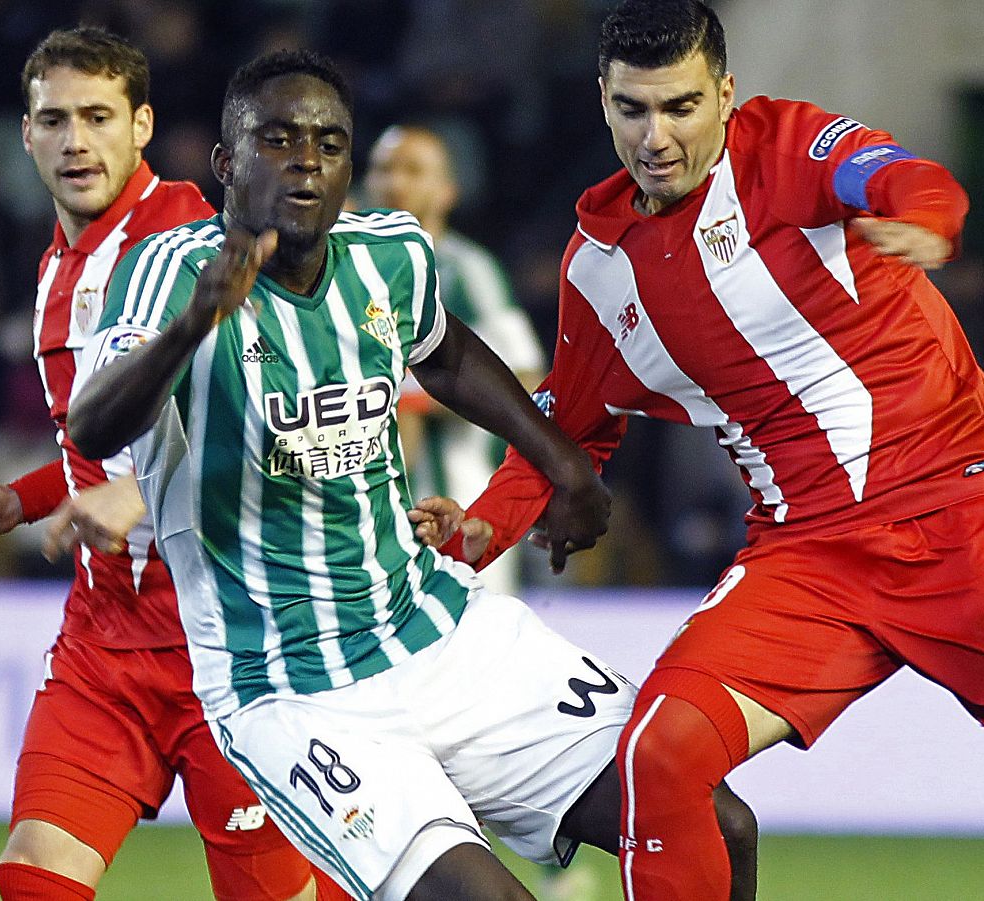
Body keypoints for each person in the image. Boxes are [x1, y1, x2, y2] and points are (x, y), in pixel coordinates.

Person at [442, 2, 984, 899]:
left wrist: (927, 221)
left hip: (963, 520)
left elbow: (908, 177)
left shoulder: (785, 147)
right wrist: (473, 534)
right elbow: (559, 433)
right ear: (602, 102)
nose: (657, 135)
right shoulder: (599, 266)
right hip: (809, 559)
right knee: (662, 749)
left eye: (682, 107)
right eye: (633, 109)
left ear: (725, 96)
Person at [67, 49, 756, 901]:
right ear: (225, 163)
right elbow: (94, 424)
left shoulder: (389, 254)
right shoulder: (165, 275)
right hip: (289, 688)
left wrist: (560, 461)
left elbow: (448, 352)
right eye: (276, 140)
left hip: (439, 631)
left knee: (715, 825)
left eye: (327, 142)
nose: (305, 161)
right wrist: (192, 327)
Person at [0, 28, 340, 901]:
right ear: (26, 135)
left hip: (234, 641)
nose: (76, 140)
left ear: (142, 124)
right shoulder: (55, 269)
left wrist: (137, 489)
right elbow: (107, 442)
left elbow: (285, 414)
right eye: (55, 120)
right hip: (108, 640)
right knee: (35, 875)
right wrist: (22, 497)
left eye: (98, 117)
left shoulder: (202, 241)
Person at [364, 123, 546, 596]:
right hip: (368, 504)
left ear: (447, 192)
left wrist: (417, 401)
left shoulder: (466, 270)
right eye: (383, 169)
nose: (394, 182)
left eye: (413, 170)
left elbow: (526, 375)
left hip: (460, 492)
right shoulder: (345, 269)